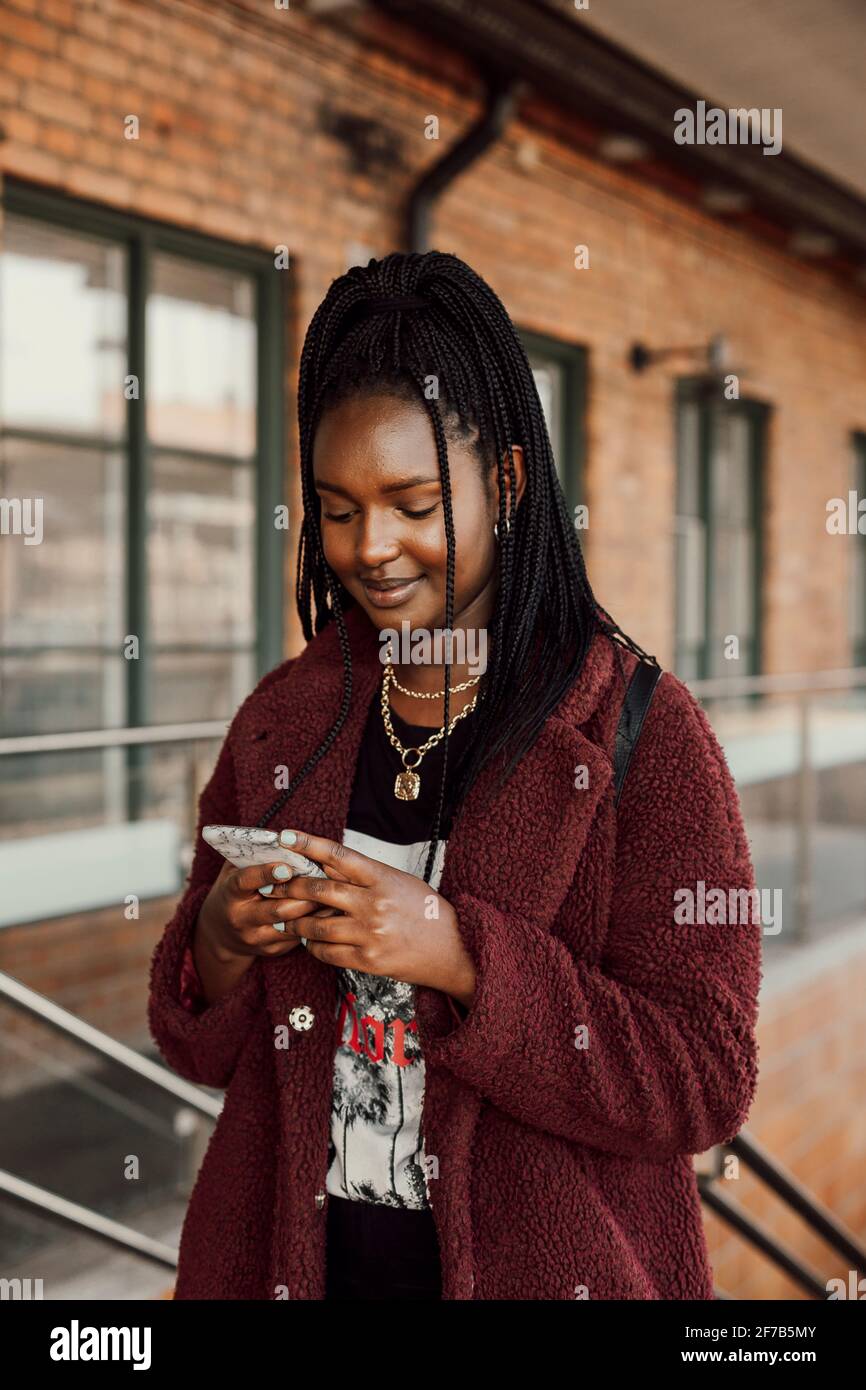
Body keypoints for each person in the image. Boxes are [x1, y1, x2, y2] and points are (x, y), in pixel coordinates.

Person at [148, 250, 762, 1301]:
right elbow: (203, 1047)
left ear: (509, 482)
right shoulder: (282, 718)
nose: (370, 547)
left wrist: (463, 957)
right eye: (337, 509)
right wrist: (219, 940)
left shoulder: (640, 736)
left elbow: (703, 1077)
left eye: (412, 503)